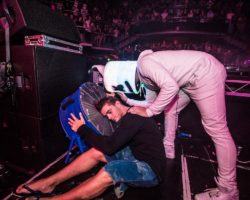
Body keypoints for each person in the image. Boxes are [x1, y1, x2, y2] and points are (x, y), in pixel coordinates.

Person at [125, 49, 238, 200]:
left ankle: (229, 190)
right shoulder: (146, 77)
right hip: (186, 81)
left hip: (205, 72)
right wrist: (125, 100)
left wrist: (149, 112)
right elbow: (150, 103)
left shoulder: (144, 64)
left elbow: (168, 89)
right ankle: (168, 149)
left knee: (217, 129)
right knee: (171, 110)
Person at [15, 96, 166, 200]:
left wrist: (81, 128)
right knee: (97, 151)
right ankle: (48, 183)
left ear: (118, 104)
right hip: (137, 157)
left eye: (109, 112)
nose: (110, 117)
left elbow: (110, 145)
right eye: (106, 116)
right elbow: (109, 143)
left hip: (150, 170)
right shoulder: (131, 114)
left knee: (112, 169)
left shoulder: (133, 118)